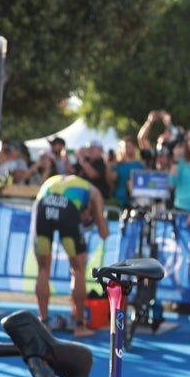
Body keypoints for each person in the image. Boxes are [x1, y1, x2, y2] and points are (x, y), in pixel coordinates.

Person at [30, 174, 109, 337]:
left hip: (42, 205)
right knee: (78, 269)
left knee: (43, 269)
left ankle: (43, 324)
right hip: (68, 208)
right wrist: (92, 217)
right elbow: (104, 232)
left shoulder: (57, 180)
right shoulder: (93, 192)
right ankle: (79, 326)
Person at [107, 136, 145, 211]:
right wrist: (108, 166)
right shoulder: (118, 165)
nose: (126, 149)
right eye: (124, 147)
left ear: (134, 148)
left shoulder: (140, 166)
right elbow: (111, 181)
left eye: (128, 147)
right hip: (119, 201)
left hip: (136, 202)